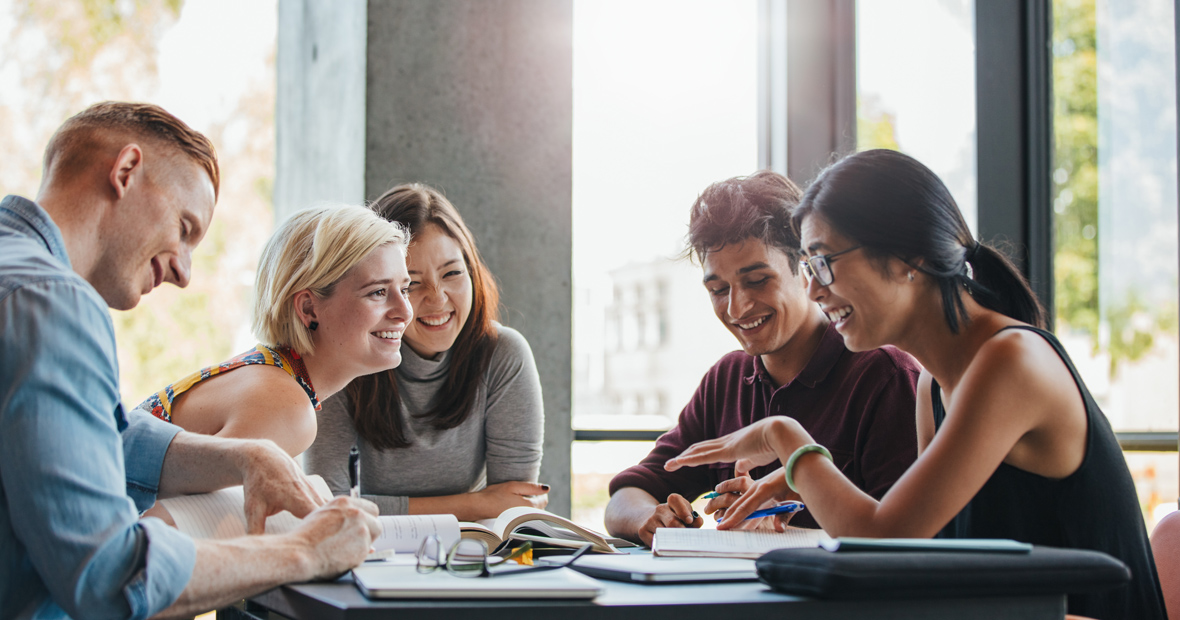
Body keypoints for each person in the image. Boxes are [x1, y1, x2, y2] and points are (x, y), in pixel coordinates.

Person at [666, 150, 1166, 619]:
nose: (814, 290)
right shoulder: (933, 386)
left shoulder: (1011, 361)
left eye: (824, 263)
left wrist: (785, 438)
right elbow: (915, 552)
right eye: (808, 267)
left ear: (908, 258)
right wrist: (799, 481)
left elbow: (882, 541)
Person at [0, 102, 382, 620]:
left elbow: (94, 437)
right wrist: (305, 550)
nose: (183, 273)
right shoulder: (53, 303)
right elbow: (111, 577)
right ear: (126, 171)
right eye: (184, 228)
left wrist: (246, 457)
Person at [604, 170, 922, 547]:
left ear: (806, 269)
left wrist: (793, 505)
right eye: (718, 289)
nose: (736, 308)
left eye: (757, 281)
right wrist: (649, 518)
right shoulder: (727, 379)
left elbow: (903, 539)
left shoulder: (885, 376)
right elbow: (626, 495)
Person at [305, 183, 547, 521]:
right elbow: (327, 506)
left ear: (473, 272)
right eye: (412, 283)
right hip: (368, 547)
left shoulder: (503, 354)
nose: (437, 298)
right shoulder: (345, 356)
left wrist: (487, 506)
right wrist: (475, 504)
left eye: (452, 273)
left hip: (473, 547)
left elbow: (512, 505)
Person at [133, 203, 414, 458]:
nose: (405, 312)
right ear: (308, 308)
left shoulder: (273, 376)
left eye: (404, 289)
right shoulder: (286, 409)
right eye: (378, 292)